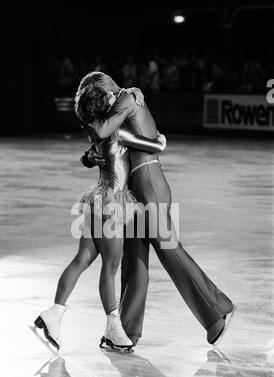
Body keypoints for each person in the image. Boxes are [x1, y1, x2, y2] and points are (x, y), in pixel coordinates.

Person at [78, 72, 236, 348]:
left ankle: (217, 309)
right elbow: (107, 141)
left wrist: (93, 125)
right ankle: (126, 331)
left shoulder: (127, 98)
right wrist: (92, 156)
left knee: (168, 248)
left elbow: (102, 130)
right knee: (134, 258)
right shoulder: (124, 101)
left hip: (149, 182)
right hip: (136, 189)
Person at [34, 85, 166, 351]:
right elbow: (156, 145)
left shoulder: (95, 132)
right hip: (113, 204)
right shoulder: (118, 131)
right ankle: (113, 326)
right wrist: (159, 137)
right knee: (110, 266)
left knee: (82, 259)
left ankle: (54, 313)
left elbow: (91, 156)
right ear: (106, 107)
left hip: (95, 200)